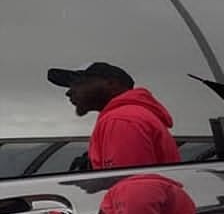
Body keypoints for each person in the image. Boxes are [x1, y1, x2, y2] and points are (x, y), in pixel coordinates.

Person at [46, 61, 180, 168]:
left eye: (78, 83)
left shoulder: (122, 119)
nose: (69, 92)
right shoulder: (133, 115)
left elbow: (131, 185)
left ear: (111, 83)